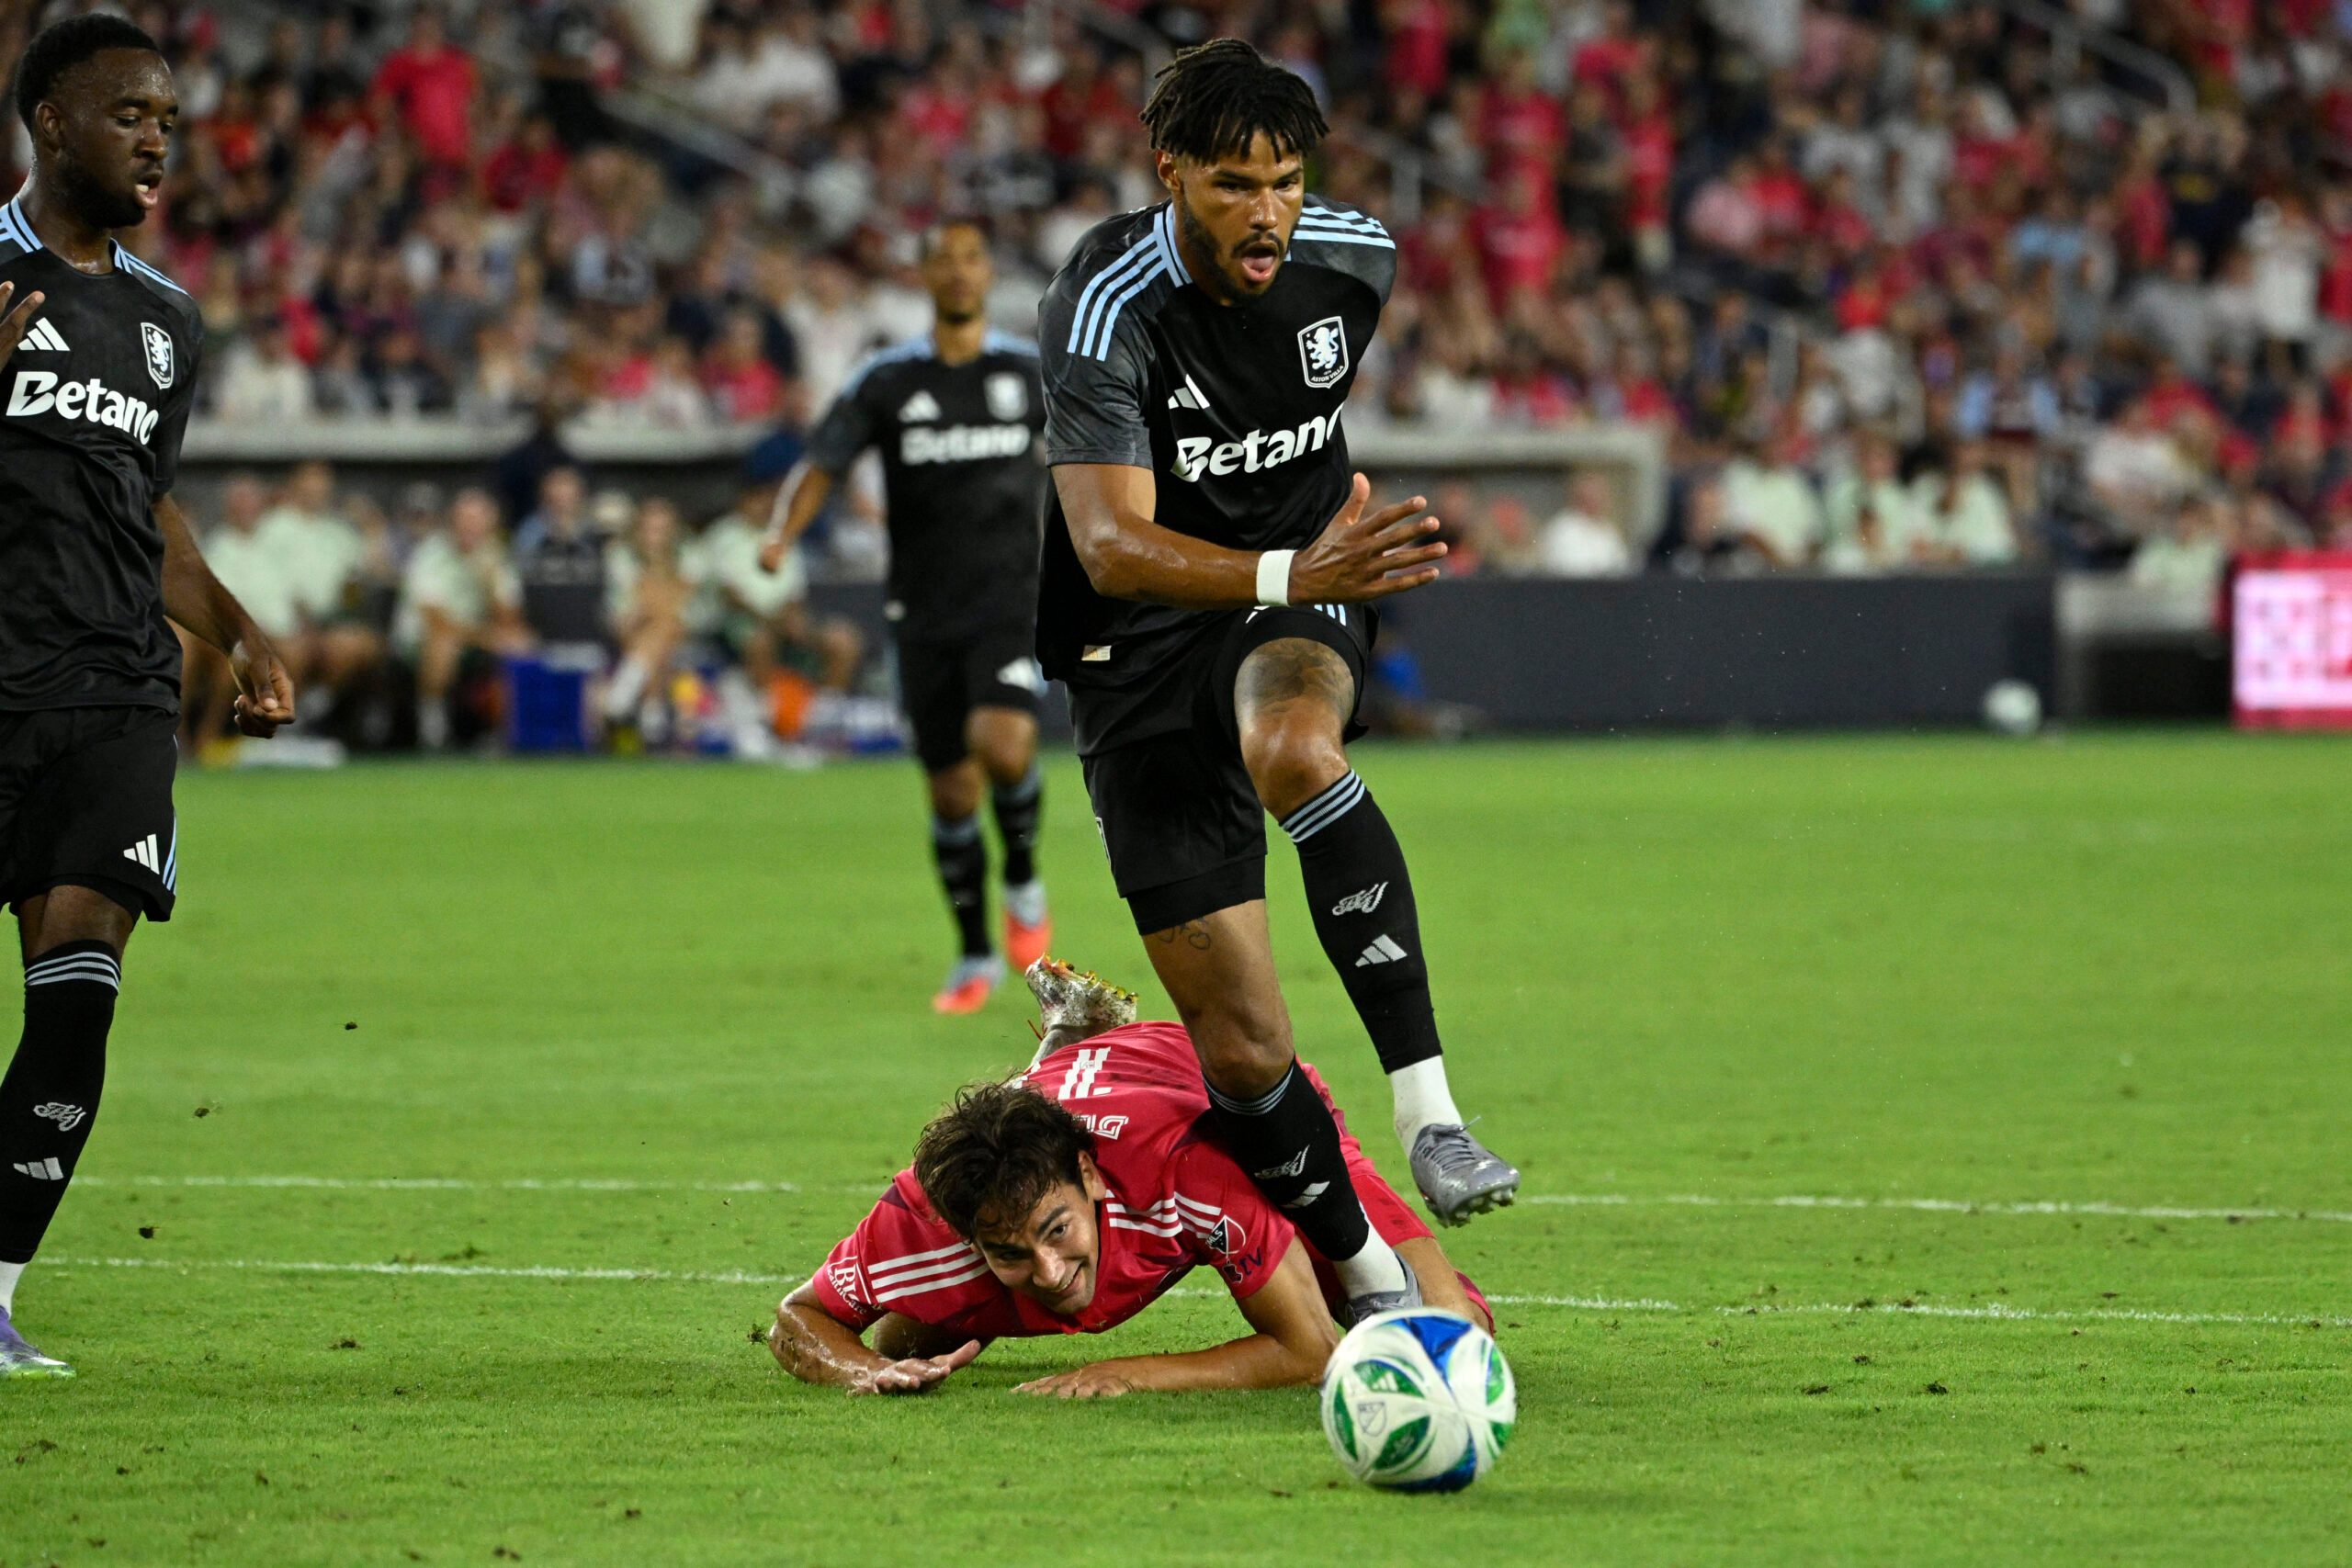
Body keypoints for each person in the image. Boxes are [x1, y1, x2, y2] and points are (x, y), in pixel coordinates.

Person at [1033, 39, 1516, 1328]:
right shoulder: (1104, 304)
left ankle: (1433, 1115)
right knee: (1244, 1049)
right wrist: (1283, 562)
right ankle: (1362, 1279)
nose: (1268, 213)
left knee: (1298, 745)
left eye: (1287, 183)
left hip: (1301, 590)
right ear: (1171, 173)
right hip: (1133, 647)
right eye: (1237, 184)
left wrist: (1305, 571)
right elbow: (1110, 545)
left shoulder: (1351, 258)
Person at [0, 16, 297, 1378]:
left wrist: (234, 630)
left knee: (78, 985)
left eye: (168, 118)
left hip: (117, 689)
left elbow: (150, 506)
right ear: (50, 121)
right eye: (129, 114)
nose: (159, 138)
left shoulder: (165, 320)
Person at [769, 960, 1491, 1397]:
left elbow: (1308, 1351)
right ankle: (1067, 1044)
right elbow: (799, 1318)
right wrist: (863, 1371)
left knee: (1454, 1334)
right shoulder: (926, 1215)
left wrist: (1130, 1371)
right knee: (906, 1344)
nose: (1050, 1270)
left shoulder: (1194, 1168)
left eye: (1057, 1230)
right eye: (1011, 1250)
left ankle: (1073, 1045)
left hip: (1250, 1117)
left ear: (1089, 1177)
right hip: (1089, 1111)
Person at [762, 219, 1052, 1014]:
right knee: (952, 793)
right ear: (922, 277)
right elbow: (824, 460)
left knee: (1004, 742)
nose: (958, 273)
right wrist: (781, 537)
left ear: (987, 273)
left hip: (1008, 597)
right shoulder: (887, 378)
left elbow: (1103, 445)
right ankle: (973, 955)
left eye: (971, 258)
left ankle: (1023, 877)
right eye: (943, 261)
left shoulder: (1028, 372)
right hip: (922, 608)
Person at [394, 488, 531, 750]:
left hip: (474, 640)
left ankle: (504, 733)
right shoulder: (430, 554)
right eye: (464, 520)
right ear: (452, 522)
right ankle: (433, 728)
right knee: (443, 645)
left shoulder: (495, 556)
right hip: (419, 642)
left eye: (477, 521)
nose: (469, 527)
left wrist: (490, 583)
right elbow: (435, 620)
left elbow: (510, 619)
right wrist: (484, 637)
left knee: (521, 643)